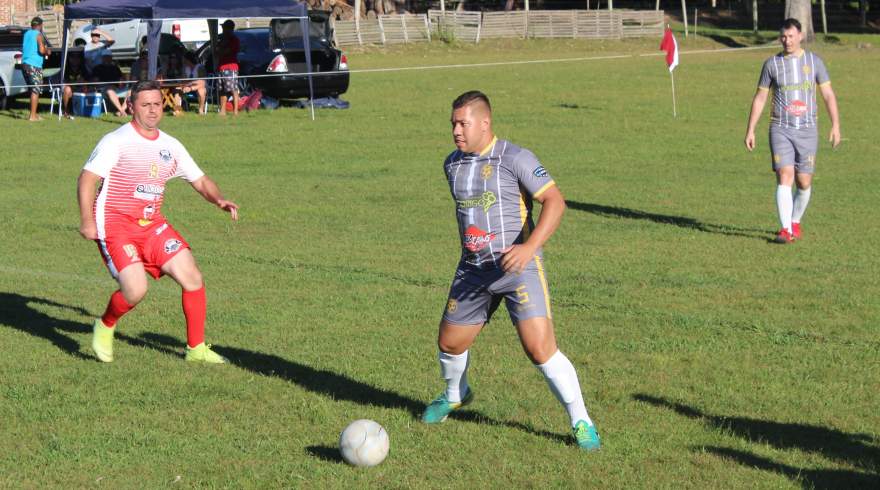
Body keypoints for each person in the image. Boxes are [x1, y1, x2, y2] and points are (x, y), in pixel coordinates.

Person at [421, 91, 601, 451]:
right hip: (473, 271)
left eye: (463, 123)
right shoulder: (451, 164)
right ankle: (456, 394)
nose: (456, 130)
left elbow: (555, 201)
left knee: (540, 349)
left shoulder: (515, 157)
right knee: (450, 343)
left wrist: (529, 247)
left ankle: (581, 421)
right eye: (453, 123)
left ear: (484, 123)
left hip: (518, 268)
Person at [77, 80, 239, 364]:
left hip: (152, 225)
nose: (153, 111)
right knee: (136, 290)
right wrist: (87, 220)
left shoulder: (170, 145)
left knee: (192, 276)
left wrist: (219, 200)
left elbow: (199, 180)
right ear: (131, 106)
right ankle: (105, 324)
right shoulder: (116, 141)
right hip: (115, 225)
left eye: (157, 104)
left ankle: (196, 349)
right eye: (145, 105)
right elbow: (88, 178)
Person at [744, 18, 841, 244]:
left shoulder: (814, 62)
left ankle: (795, 220)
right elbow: (760, 98)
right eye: (783, 37)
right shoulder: (771, 65)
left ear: (800, 35)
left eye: (790, 36)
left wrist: (835, 125)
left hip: (807, 130)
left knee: (804, 182)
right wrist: (751, 129)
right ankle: (785, 229)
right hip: (780, 129)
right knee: (784, 175)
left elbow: (828, 94)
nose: (786, 41)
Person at [21, 16, 51, 121]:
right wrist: (48, 51)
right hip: (34, 65)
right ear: (41, 25)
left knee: (33, 90)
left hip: (24, 64)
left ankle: (34, 113)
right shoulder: (39, 35)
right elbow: (42, 50)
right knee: (35, 90)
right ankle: (32, 116)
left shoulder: (26, 34)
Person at [91, 51, 129, 116]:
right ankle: (122, 111)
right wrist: (107, 85)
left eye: (109, 57)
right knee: (110, 90)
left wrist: (122, 82)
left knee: (131, 91)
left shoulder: (115, 68)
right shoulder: (97, 68)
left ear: (111, 58)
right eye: (105, 57)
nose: (107, 59)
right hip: (103, 89)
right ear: (102, 58)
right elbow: (95, 82)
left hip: (117, 88)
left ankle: (121, 111)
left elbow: (121, 79)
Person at [215, 19, 240, 116]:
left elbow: (226, 52)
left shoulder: (234, 40)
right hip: (221, 67)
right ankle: (222, 111)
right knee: (222, 90)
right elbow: (216, 52)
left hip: (231, 68)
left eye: (224, 27)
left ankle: (235, 111)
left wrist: (222, 47)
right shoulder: (221, 39)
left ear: (228, 29)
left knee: (233, 89)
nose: (222, 29)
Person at [61, 52, 90, 119]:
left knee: (84, 83)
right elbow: (65, 82)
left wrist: (83, 82)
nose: (75, 59)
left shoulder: (83, 68)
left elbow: (88, 80)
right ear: (69, 59)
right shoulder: (66, 69)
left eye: (77, 58)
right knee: (67, 89)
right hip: (70, 89)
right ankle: (66, 110)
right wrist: (76, 82)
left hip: (81, 89)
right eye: (73, 57)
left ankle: (84, 110)